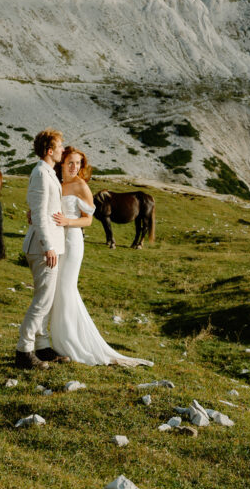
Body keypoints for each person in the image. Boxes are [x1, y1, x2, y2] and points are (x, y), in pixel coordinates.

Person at [49, 146, 153, 367]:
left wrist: (68, 222)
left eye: (78, 163)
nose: (74, 167)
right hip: (57, 241)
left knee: (67, 288)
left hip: (72, 239)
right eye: (70, 162)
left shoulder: (80, 186)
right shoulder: (56, 183)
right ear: (61, 162)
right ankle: (59, 342)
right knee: (58, 290)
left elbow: (87, 219)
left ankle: (73, 345)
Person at [15, 129, 71, 369]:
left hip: (48, 245)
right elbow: (38, 213)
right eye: (60, 147)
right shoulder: (40, 173)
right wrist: (48, 246)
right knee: (42, 301)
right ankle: (24, 350)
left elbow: (41, 209)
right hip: (42, 247)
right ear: (49, 151)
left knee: (45, 300)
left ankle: (43, 346)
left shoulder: (48, 172)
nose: (63, 150)